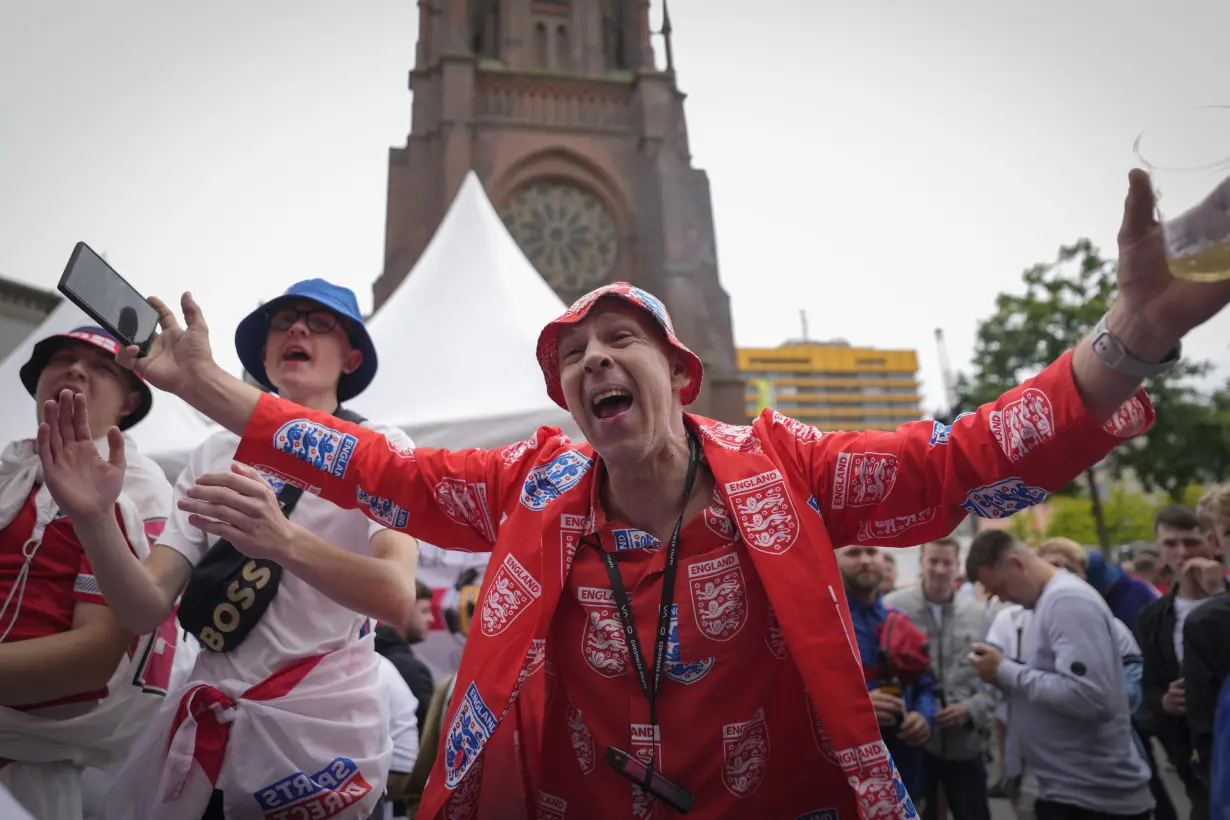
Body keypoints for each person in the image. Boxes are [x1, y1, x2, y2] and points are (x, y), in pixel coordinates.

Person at [110, 170, 1230, 818]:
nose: (594, 361)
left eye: (618, 339)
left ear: (678, 376)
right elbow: (381, 471)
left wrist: (1124, 344)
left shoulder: (785, 467)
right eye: (572, 356)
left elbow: (959, 462)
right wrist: (209, 384)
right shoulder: (533, 487)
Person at [37, 281, 419, 820]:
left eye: (318, 322)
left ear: (351, 356)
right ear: (264, 354)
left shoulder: (382, 449)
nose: (297, 329)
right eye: (282, 323)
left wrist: (282, 539)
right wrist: (94, 519)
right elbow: (145, 607)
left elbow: (397, 597)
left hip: (319, 746)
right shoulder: (215, 450)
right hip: (205, 734)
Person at [0, 325, 178, 820]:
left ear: (129, 401)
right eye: (61, 358)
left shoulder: (137, 493)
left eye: (102, 367)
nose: (76, 369)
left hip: (29, 772)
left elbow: (93, 659)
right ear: (37, 385)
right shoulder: (7, 470)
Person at [965, 530, 1154, 820]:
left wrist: (1004, 670)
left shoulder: (1066, 600)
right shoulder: (1048, 601)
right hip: (1069, 792)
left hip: (1094, 801)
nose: (1002, 599)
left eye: (1000, 587)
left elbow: (1091, 697)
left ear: (1017, 563)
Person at [886, 538, 994, 820]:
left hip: (965, 743)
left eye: (947, 563)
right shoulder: (894, 609)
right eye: (933, 561)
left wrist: (971, 710)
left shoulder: (979, 614)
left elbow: (996, 680)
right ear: (921, 562)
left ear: (957, 567)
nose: (939, 569)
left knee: (973, 812)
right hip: (914, 741)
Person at [1134, 505, 1222, 820]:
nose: (1182, 552)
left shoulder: (1223, 598)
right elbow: (1145, 684)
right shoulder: (1152, 617)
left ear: (1211, 542)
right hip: (1193, 752)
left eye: (1191, 542)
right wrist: (1165, 701)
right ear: (1160, 550)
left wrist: (1217, 592)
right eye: (1171, 544)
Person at [837, 545, 936, 799]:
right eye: (853, 553)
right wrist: (858, 708)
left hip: (904, 768)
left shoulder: (899, 619)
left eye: (872, 552)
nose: (865, 561)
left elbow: (925, 685)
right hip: (848, 775)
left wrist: (924, 717)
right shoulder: (825, 623)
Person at [375, 579, 436, 736]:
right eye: (424, 611)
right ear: (403, 611)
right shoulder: (412, 671)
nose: (431, 619)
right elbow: (428, 737)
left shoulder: (371, 656)